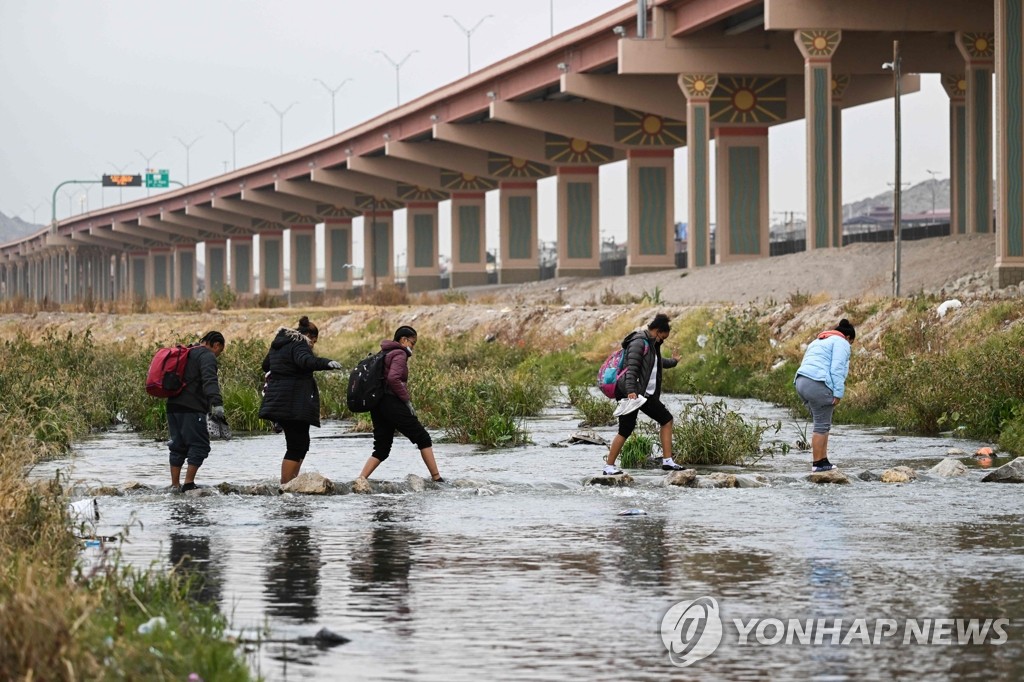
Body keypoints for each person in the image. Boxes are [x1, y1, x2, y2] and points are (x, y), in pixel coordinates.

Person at [259, 316, 343, 484]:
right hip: (292, 402)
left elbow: (266, 365)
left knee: (301, 443)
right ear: (309, 336)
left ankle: (292, 482)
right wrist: (326, 363)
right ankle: (286, 485)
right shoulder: (299, 343)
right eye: (314, 341)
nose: (313, 345)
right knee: (296, 445)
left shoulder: (280, 343)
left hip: (282, 400)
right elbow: (305, 361)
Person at [357, 326, 444, 483]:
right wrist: (406, 400)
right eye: (413, 342)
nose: (413, 347)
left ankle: (360, 479)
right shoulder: (399, 353)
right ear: (403, 340)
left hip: (377, 404)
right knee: (423, 438)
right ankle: (437, 479)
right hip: (391, 402)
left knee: (382, 449)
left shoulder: (384, 353)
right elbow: (393, 379)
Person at [603, 313, 686, 475]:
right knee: (625, 429)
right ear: (657, 331)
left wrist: (674, 361)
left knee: (666, 419)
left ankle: (668, 462)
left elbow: (656, 362)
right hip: (631, 393)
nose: (663, 341)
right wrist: (631, 391)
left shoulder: (651, 344)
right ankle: (608, 467)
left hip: (644, 395)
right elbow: (632, 369)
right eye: (663, 337)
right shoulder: (638, 342)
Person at [794, 318, 856, 472]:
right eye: (851, 343)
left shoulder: (818, 341)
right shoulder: (841, 343)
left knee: (820, 422)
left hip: (801, 382)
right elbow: (837, 369)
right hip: (817, 382)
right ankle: (819, 463)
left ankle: (822, 460)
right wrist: (838, 393)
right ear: (848, 337)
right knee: (822, 425)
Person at [167, 331, 226, 491]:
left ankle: (174, 485)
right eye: (219, 352)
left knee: (178, 445)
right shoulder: (207, 356)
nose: (218, 355)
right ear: (216, 345)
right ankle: (188, 484)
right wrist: (217, 404)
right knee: (200, 445)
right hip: (191, 408)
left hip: (172, 406)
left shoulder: (188, 352)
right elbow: (210, 379)